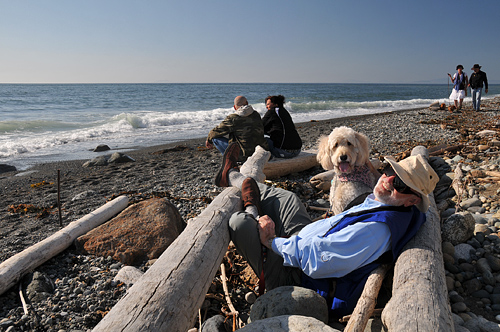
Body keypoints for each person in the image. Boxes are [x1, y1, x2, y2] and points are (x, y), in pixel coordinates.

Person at [216, 143, 438, 317]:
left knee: (240, 223)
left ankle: (244, 192)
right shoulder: (388, 204)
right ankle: (236, 178)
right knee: (288, 197)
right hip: (303, 241)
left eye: (399, 184)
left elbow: (317, 260)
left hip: (297, 275)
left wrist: (271, 241)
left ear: (411, 201)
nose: (388, 180)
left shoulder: (377, 229)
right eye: (390, 171)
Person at [206, 96, 268, 161]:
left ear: (235, 107)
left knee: (215, 138)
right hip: (259, 152)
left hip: (244, 155)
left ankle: (229, 160)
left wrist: (208, 140)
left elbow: (216, 132)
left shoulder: (233, 118)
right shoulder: (256, 114)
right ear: (247, 103)